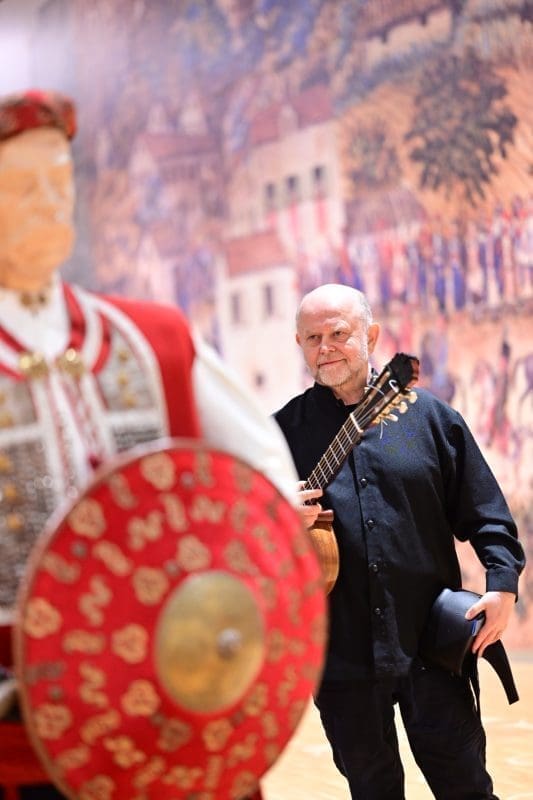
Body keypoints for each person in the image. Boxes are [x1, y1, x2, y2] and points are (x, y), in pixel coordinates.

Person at [0, 89, 319, 800]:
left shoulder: (154, 340)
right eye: (22, 188)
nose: (49, 204)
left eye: (59, 183)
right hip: (22, 748)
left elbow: (265, 479)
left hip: (180, 716)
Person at [274, 282, 526, 800]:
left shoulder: (431, 419)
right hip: (340, 658)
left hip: (433, 646)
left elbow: (486, 513)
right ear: (299, 345)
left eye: (338, 334)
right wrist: (275, 517)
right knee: (373, 791)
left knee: (467, 788)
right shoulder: (278, 437)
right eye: (313, 338)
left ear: (370, 336)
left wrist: (502, 585)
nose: (326, 348)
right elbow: (242, 536)